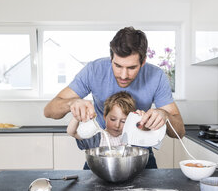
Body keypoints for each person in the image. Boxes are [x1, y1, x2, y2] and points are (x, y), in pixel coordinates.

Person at [44, 26, 185, 168]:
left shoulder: (156, 76)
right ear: (111, 58)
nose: (124, 75)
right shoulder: (94, 70)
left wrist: (164, 115)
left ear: (143, 62)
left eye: (131, 68)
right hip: (102, 153)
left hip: (140, 151)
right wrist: (72, 103)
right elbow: (49, 111)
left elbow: (179, 132)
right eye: (117, 66)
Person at [67, 91, 147, 169]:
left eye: (123, 121)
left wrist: (142, 121)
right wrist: (77, 116)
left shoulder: (132, 138)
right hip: (98, 175)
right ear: (105, 117)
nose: (117, 125)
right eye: (113, 119)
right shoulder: (97, 136)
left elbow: (148, 139)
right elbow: (72, 132)